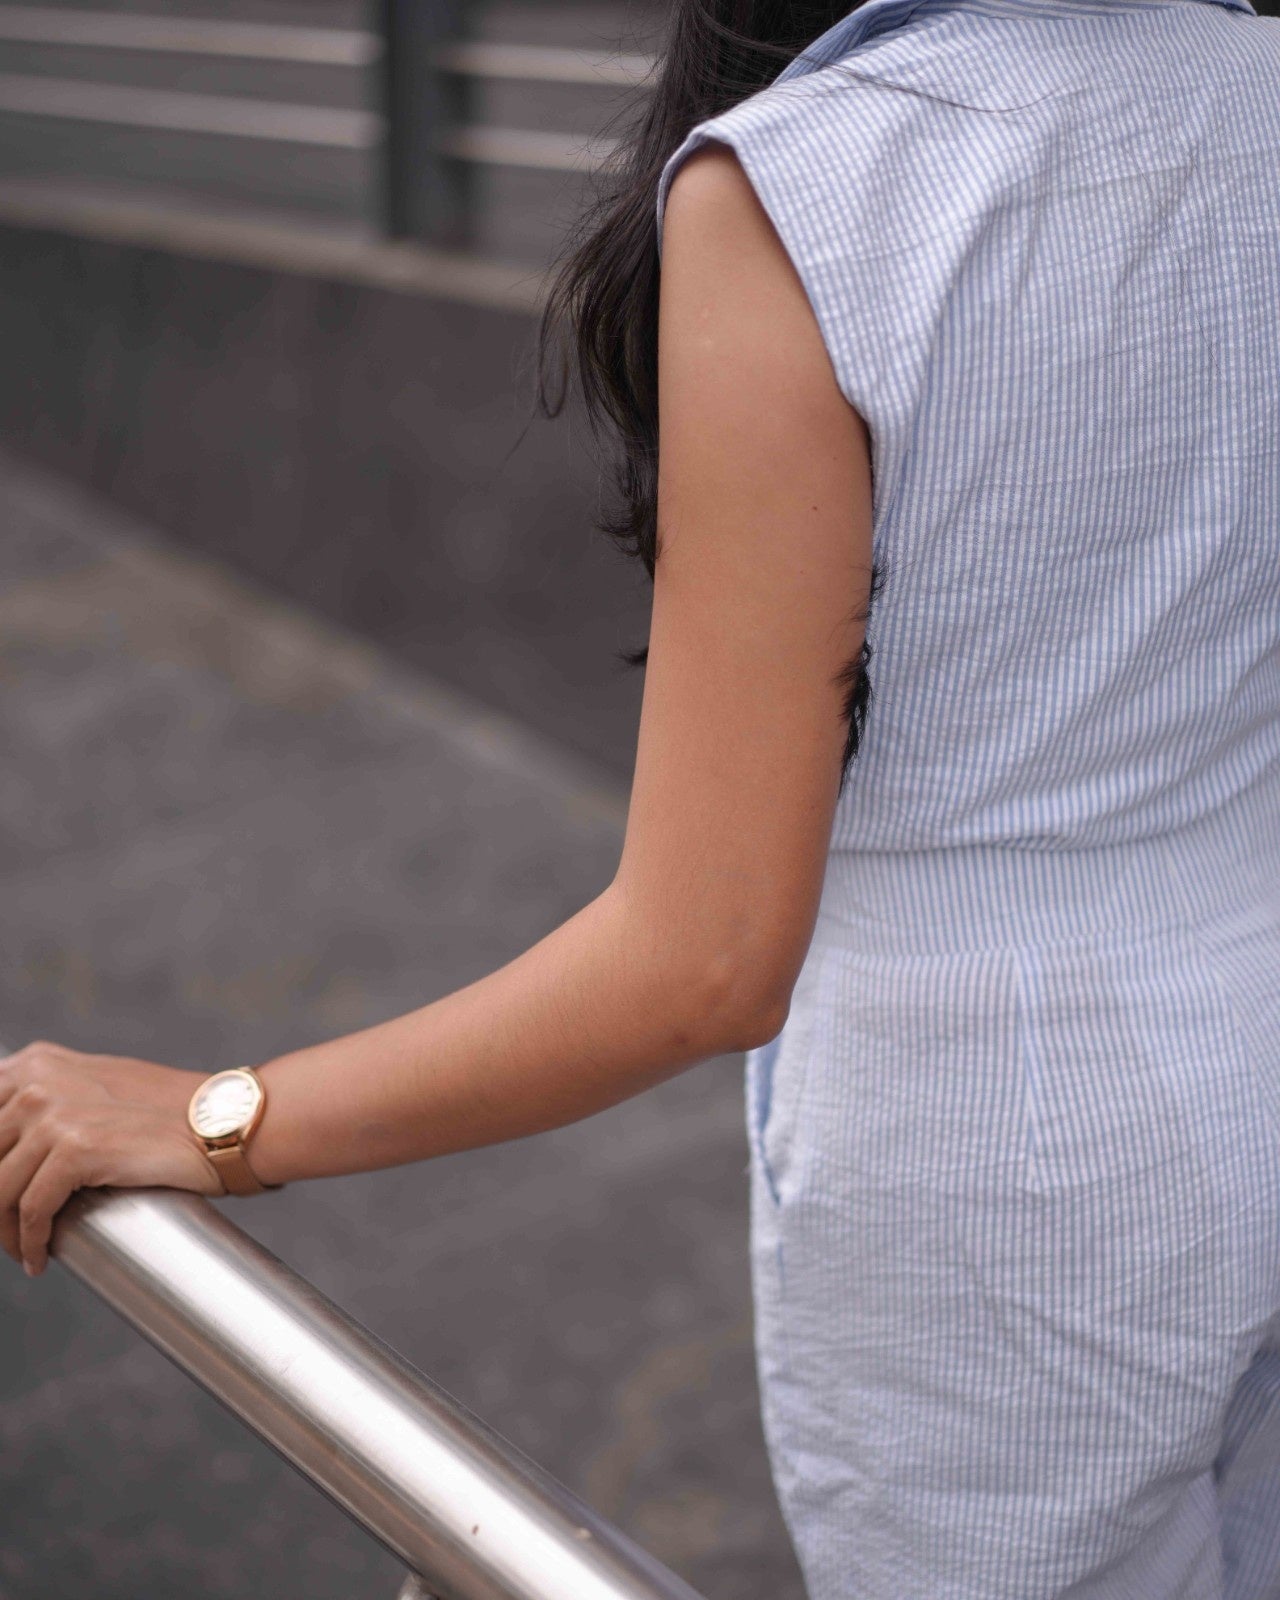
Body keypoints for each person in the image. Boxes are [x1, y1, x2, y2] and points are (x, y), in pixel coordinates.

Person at [2, 0, 1278, 1593]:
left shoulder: (813, 187)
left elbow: (706, 955)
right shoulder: (1253, 83)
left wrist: (221, 1119)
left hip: (998, 1196)